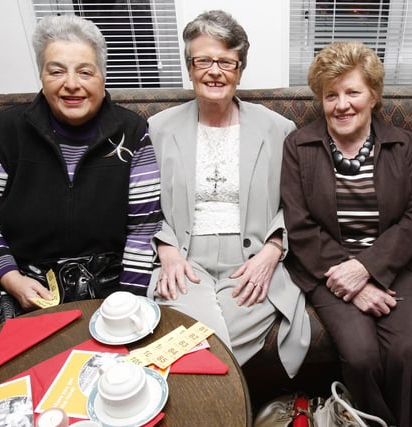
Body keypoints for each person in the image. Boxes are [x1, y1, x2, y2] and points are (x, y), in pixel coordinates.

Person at [147, 10, 310, 377]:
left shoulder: (277, 129)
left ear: (240, 68)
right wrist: (166, 247)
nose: (214, 71)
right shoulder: (158, 129)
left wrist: (273, 250)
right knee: (204, 347)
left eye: (226, 61)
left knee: (188, 349)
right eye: (203, 60)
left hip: (252, 261)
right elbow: (141, 204)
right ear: (189, 68)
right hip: (186, 262)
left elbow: (297, 204)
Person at [281, 40, 412, 427]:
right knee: (361, 354)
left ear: (374, 96)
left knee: (408, 349)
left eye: (352, 92)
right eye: (331, 95)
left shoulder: (402, 144)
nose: (341, 104)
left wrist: (366, 269)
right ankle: (373, 422)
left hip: (392, 263)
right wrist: (352, 281)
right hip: (325, 268)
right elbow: (299, 225)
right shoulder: (299, 146)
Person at [0, 14, 161, 315]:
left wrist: (129, 302)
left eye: (85, 72)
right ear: (42, 76)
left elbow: (144, 227)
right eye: (57, 71)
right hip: (25, 280)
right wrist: (10, 278)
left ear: (103, 76)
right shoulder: (6, 131)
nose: (71, 84)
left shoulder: (133, 132)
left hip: (111, 282)